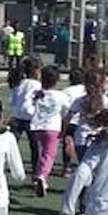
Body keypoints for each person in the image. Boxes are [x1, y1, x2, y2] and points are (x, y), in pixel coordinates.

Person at [26, 66, 70, 197]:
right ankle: (42, 177)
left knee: (41, 153)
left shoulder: (36, 93)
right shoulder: (61, 95)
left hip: (36, 127)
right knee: (49, 155)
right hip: (52, 128)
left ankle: (38, 175)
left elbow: (28, 107)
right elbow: (67, 111)